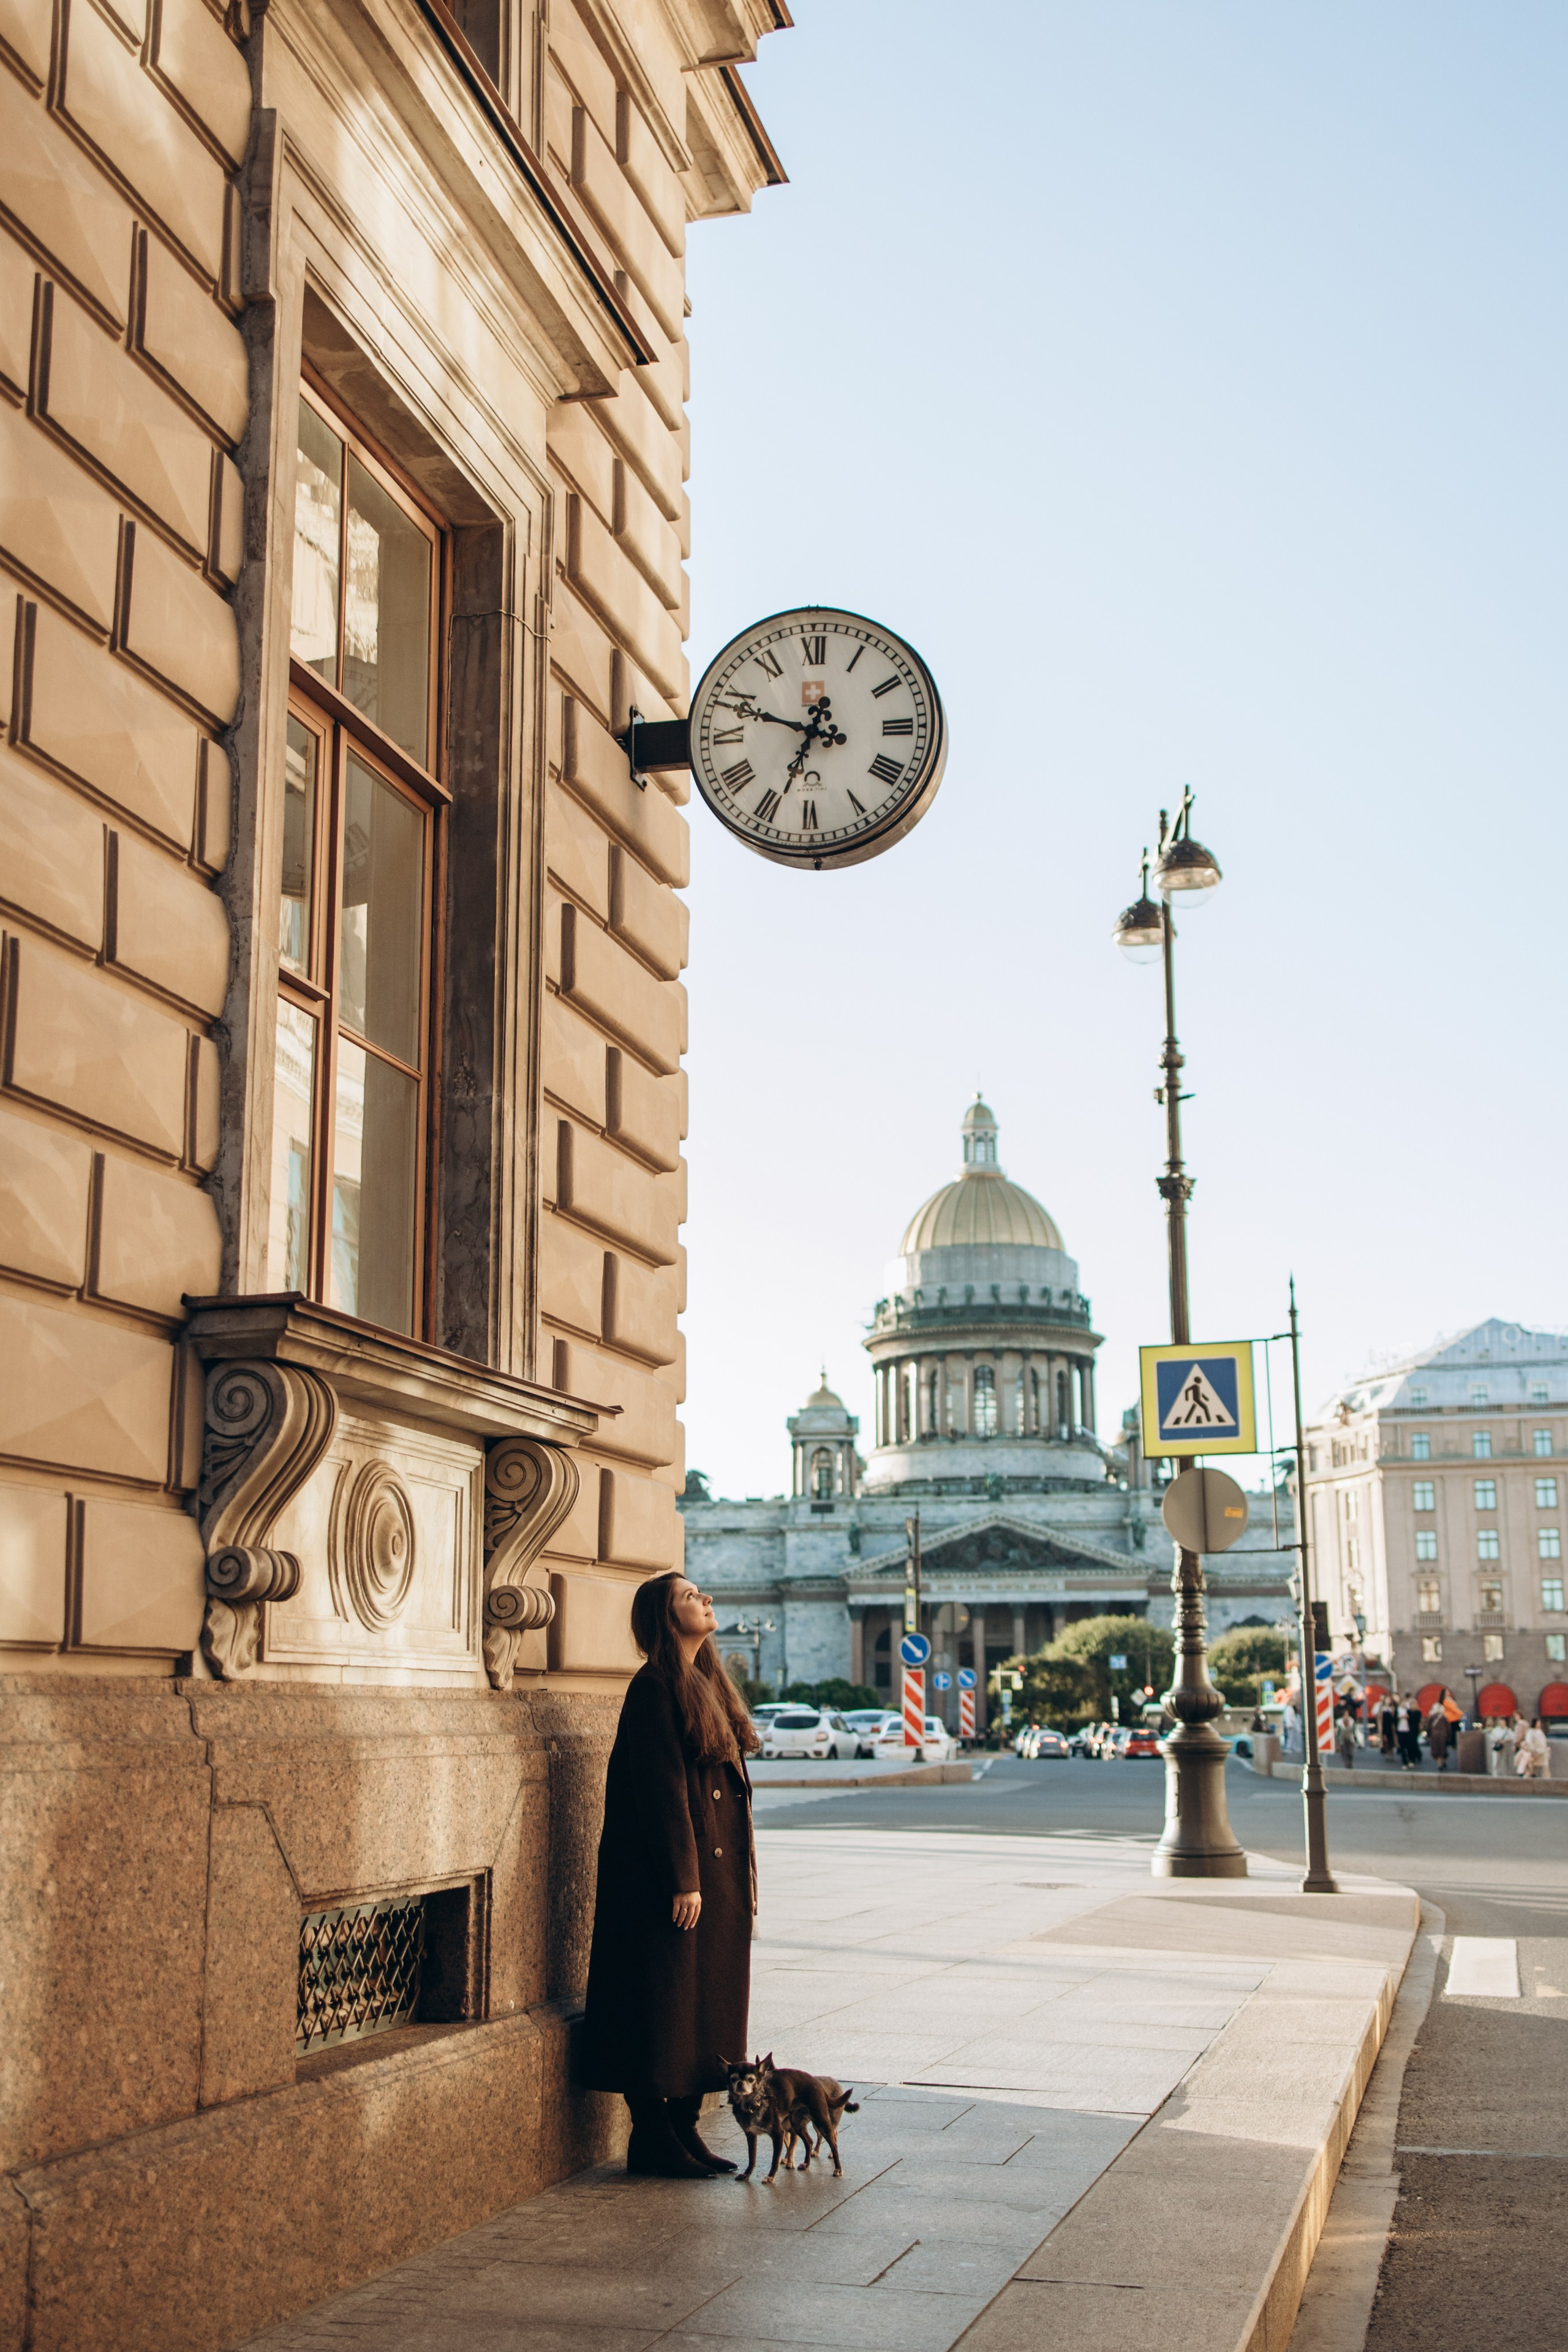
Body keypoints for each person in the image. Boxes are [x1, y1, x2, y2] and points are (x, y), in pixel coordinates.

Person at [581, 1573, 759, 2177]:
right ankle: (652, 2135)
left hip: (715, 1876)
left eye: (703, 1593)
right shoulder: (654, 1686)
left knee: (704, 2005)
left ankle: (683, 2130)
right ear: (663, 1616)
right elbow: (662, 1792)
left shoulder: (705, 1681)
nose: (706, 1599)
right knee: (661, 2006)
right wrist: (684, 1878)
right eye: (689, 1597)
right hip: (671, 1878)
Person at [1517, 1716, 1550, 1781]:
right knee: (1531, 1768)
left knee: (1545, 1767)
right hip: (1535, 1753)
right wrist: (1533, 1751)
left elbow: (1543, 1740)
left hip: (1542, 1752)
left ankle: (1547, 1781)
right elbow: (1529, 1743)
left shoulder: (1540, 1731)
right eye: (1538, 1723)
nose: (1539, 1724)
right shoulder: (1531, 1732)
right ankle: (1525, 1781)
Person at [1398, 1698, 1423, 1771]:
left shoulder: (1418, 1712)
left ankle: (1416, 1755)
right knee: (1411, 1744)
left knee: (1414, 1743)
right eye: (1411, 1704)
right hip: (1409, 1730)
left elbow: (1416, 1720)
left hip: (1414, 1729)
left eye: (1414, 1704)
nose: (1413, 1706)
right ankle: (1414, 1756)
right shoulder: (1408, 1711)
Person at [1426, 1698, 1451, 1772]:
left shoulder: (1432, 1717)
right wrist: (1449, 1737)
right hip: (1444, 1735)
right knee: (1444, 1749)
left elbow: (1428, 1727)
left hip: (1435, 1735)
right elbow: (1449, 1728)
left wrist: (1428, 1735)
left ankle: (1440, 1765)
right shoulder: (1445, 1718)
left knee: (1437, 1750)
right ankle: (1445, 1762)